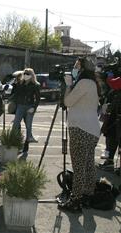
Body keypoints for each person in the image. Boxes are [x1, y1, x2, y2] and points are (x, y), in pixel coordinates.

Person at [58, 57, 101, 212]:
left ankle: (75, 200)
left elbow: (68, 102)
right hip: (92, 129)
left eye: (77, 65)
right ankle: (88, 195)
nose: (74, 68)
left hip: (80, 129)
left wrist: (68, 86)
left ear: (83, 68)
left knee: (79, 167)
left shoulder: (83, 83)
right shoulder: (93, 83)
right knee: (88, 164)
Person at [11, 68, 40, 154]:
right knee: (15, 124)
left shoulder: (35, 85)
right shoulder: (20, 83)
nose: (25, 75)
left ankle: (26, 145)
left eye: (28, 74)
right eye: (25, 73)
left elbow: (38, 99)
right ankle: (16, 143)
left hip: (29, 106)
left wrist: (34, 107)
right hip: (20, 106)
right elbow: (16, 94)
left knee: (28, 126)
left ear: (32, 75)